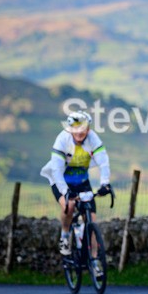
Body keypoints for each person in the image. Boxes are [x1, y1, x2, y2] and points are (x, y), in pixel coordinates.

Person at [40, 111, 112, 258]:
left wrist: (105, 183)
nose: (79, 132)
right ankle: (65, 235)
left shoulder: (93, 138)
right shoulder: (62, 140)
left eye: (83, 128)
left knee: (91, 220)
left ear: (88, 129)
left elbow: (103, 162)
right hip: (60, 180)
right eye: (75, 128)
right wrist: (66, 192)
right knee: (70, 206)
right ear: (70, 129)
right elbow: (56, 171)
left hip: (82, 181)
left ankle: (94, 260)